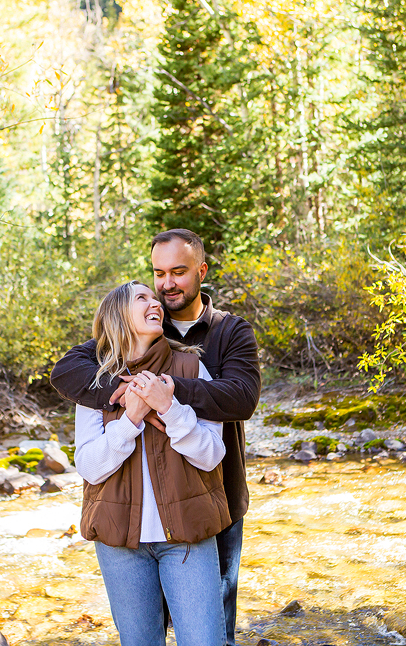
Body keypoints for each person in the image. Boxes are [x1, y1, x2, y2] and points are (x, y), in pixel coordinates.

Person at [52, 229, 261, 646]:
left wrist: (165, 392)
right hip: (125, 522)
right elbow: (64, 374)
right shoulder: (106, 357)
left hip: (210, 504)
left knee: (213, 630)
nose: (165, 286)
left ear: (201, 271)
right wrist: (126, 399)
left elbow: (240, 398)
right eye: (158, 275)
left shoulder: (226, 332)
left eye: (178, 272)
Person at [74, 280, 230, 646]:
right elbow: (89, 467)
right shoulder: (95, 382)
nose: (155, 303)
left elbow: (212, 456)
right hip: (119, 543)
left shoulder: (192, 369)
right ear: (118, 315)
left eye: (154, 297)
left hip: (188, 538)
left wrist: (170, 409)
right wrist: (129, 420)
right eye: (141, 298)